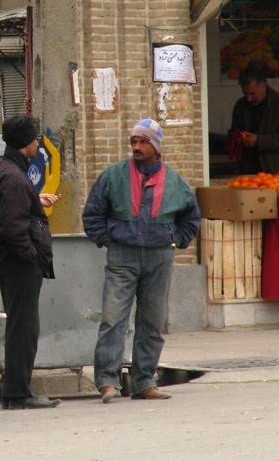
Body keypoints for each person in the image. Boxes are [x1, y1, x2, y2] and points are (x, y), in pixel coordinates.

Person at [82, 118, 201, 402]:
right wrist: (109, 238)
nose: (136, 147)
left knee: (152, 321)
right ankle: (107, 382)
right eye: (134, 141)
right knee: (113, 319)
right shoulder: (113, 175)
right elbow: (93, 214)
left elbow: (191, 217)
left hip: (160, 256)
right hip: (122, 254)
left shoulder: (174, 181)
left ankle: (144, 381)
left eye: (143, 141)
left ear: (156, 146)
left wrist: (176, 238)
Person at [0, 115, 60, 410]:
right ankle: (17, 392)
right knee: (23, 328)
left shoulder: (6, 170)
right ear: (27, 142)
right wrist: (31, 257)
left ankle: (16, 391)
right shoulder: (14, 177)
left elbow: (13, 211)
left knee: (22, 325)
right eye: (35, 139)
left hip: (12, 261)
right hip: (19, 263)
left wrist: (37, 200)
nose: (38, 143)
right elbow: (14, 226)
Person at [230, 60, 279, 175]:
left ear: (264, 86)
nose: (249, 98)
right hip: (250, 169)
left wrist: (259, 140)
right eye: (245, 93)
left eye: (252, 94)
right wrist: (237, 138)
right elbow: (235, 130)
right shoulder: (240, 105)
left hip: (278, 170)